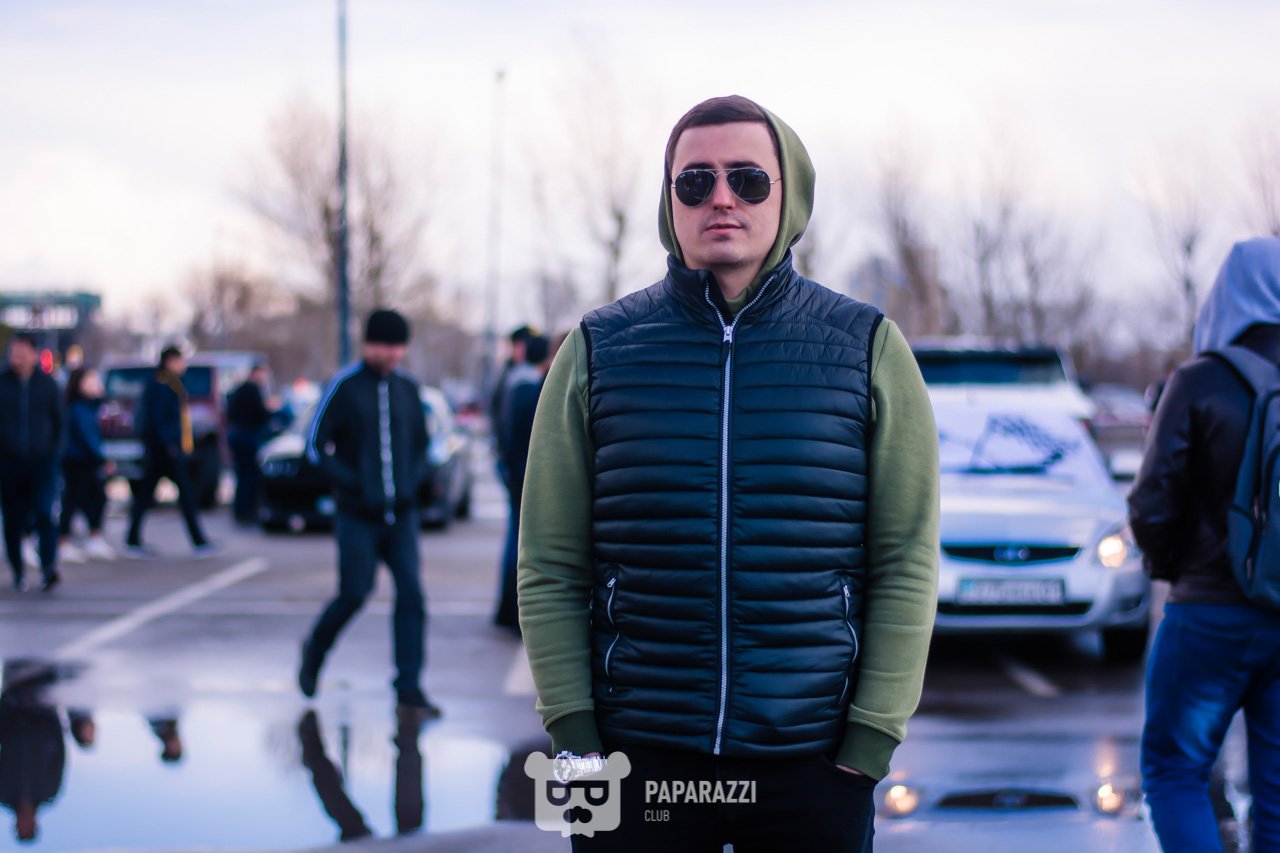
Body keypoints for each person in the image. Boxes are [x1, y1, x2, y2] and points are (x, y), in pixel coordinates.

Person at [517, 96, 939, 850]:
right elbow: (549, 561)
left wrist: (869, 740)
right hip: (632, 755)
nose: (720, 198)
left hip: (811, 760)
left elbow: (906, 556)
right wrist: (574, 741)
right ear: (669, 201)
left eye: (747, 179)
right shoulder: (597, 348)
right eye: (695, 181)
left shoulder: (867, 347)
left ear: (788, 195)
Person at [1129, 236, 1280, 851]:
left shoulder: (1199, 380)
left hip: (1209, 611)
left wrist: (1175, 570)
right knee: (1277, 792)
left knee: (1174, 772)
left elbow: (1152, 503)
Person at [299, 309, 441, 718]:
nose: (394, 354)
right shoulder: (345, 387)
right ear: (369, 345)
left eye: (399, 347)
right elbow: (315, 446)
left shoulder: (408, 389)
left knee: (412, 595)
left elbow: (424, 446)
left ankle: (409, 687)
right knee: (355, 593)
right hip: (357, 516)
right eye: (386, 346)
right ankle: (315, 649)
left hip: (402, 516)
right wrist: (353, 484)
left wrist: (414, 481)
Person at [123, 346, 217, 559]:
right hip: (163, 451)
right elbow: (158, 419)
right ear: (170, 361)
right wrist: (170, 445)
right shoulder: (162, 384)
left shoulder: (171, 383)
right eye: (180, 361)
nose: (184, 366)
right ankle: (199, 541)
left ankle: (133, 539)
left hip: (163, 450)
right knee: (183, 494)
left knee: (148, 495)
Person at [493, 333, 552, 631]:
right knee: (520, 543)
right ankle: (511, 610)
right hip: (522, 475)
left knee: (515, 541)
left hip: (514, 471)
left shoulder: (512, 381)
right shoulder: (530, 388)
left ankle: (506, 609)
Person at [0, 332, 63, 592]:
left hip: (42, 462)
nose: (18, 358)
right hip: (9, 463)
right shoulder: (2, 383)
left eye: (23, 353)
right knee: (12, 519)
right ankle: (18, 570)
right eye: (14, 353)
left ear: (34, 355)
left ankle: (48, 567)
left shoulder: (48, 385)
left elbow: (60, 422)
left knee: (44, 512)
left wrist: (54, 452)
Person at [58, 367, 116, 563]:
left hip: (84, 459)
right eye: (91, 380)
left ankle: (93, 538)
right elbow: (87, 436)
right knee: (75, 501)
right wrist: (102, 459)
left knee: (92, 499)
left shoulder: (90, 406)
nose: (96, 384)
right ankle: (64, 541)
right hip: (78, 460)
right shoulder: (79, 407)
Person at [226, 363, 274, 526]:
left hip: (238, 435)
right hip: (245, 436)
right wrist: (271, 409)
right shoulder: (251, 390)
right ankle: (245, 511)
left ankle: (241, 509)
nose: (265, 378)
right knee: (248, 474)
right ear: (255, 373)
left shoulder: (241, 389)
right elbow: (261, 414)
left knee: (242, 474)